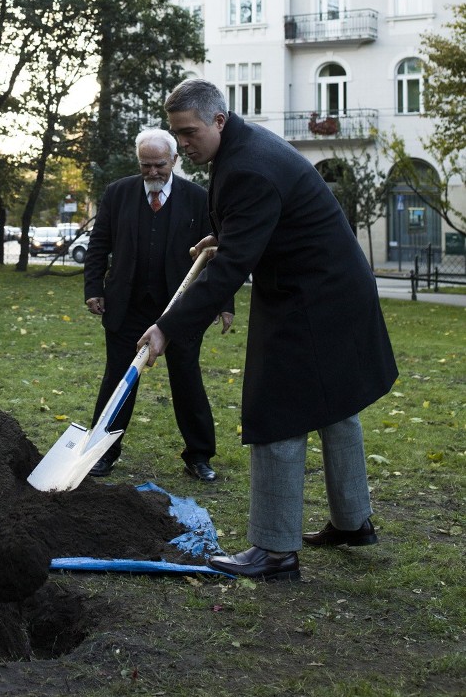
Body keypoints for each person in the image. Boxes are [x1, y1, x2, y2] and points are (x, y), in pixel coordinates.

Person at [138, 80, 398, 582]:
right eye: (175, 133)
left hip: (314, 298)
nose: (182, 143)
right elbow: (265, 221)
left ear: (217, 120)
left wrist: (167, 329)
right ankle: (352, 522)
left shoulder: (247, 167)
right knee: (336, 405)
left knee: (277, 411)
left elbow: (232, 268)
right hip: (331, 289)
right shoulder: (243, 149)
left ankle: (275, 553)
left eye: (188, 132)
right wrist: (231, 232)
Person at [84, 128, 233, 481]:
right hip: (127, 307)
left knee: (187, 380)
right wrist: (94, 287)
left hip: (180, 309)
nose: (152, 173)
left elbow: (218, 255)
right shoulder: (118, 194)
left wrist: (222, 303)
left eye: (159, 165)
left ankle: (199, 456)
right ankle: (103, 451)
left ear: (174, 161)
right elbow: (98, 243)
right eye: (146, 166)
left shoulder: (198, 198)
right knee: (119, 380)